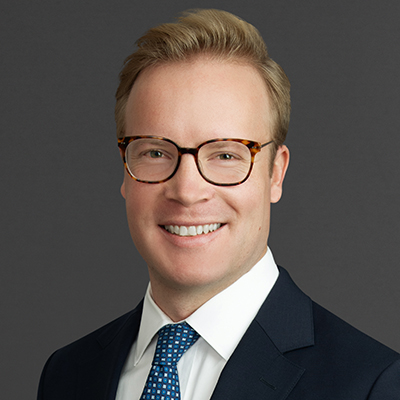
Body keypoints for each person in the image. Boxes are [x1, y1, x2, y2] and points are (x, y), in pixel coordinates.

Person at [37, 9, 400, 400]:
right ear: (126, 170)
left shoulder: (373, 385)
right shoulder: (68, 373)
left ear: (275, 173)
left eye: (226, 155)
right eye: (156, 152)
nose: (187, 191)